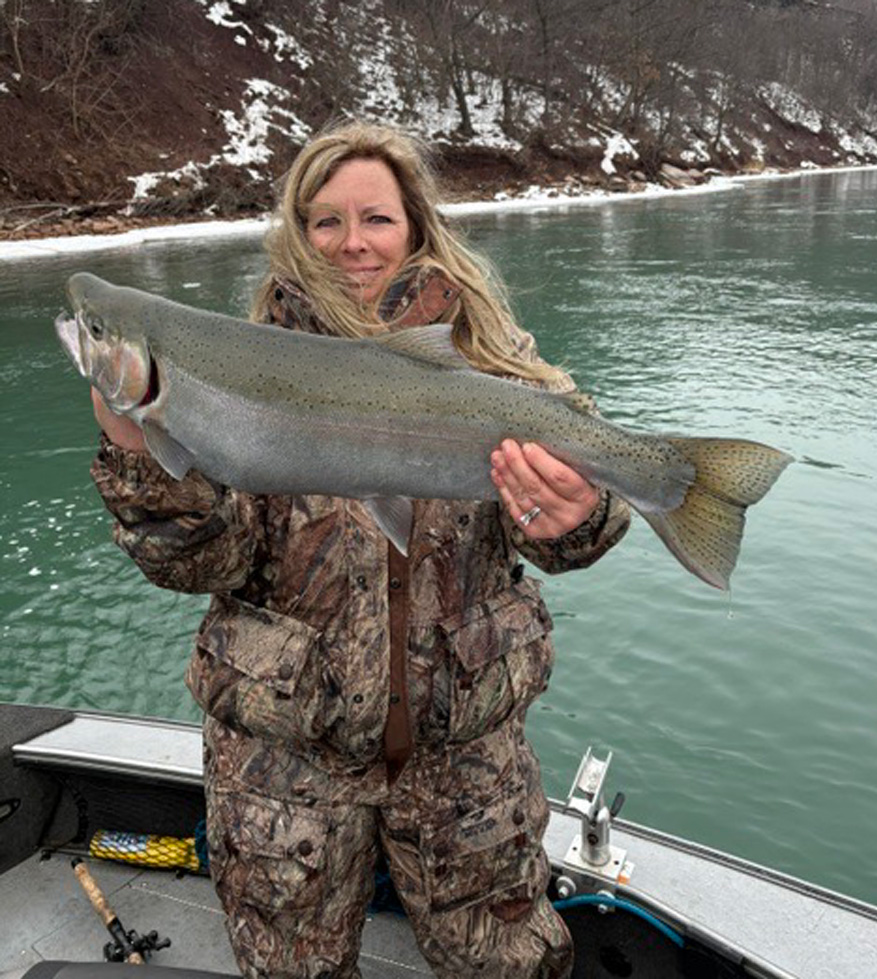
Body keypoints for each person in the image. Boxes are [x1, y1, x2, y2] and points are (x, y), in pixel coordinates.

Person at [90, 121, 630, 979]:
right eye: (324, 221)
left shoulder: (500, 363)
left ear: (415, 223)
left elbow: (579, 535)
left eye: (375, 218)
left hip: (468, 764)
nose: (352, 244)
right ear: (295, 233)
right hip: (285, 766)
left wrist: (582, 516)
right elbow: (200, 566)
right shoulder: (233, 365)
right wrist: (140, 457)